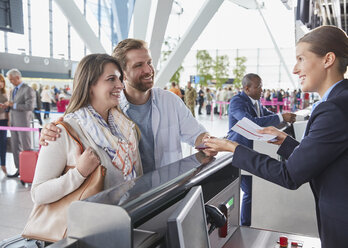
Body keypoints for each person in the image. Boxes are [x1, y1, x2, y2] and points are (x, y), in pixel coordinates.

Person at [203, 25, 348, 248]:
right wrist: (285, 142)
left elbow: (290, 175)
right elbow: (320, 157)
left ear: (328, 59)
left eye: (301, 59)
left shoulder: (334, 109)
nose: (295, 69)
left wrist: (233, 148)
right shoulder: (340, 101)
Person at [40, 39, 214, 174]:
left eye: (149, 62)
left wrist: (210, 143)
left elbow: (197, 135)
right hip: (128, 196)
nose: (149, 70)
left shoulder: (169, 101)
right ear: (122, 73)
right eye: (139, 65)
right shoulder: (110, 108)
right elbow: (79, 121)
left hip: (166, 189)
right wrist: (50, 131)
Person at [31, 53, 142, 206]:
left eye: (120, 79)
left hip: (124, 218)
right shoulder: (62, 131)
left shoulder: (126, 128)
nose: (120, 85)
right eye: (111, 79)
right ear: (89, 86)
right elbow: (38, 194)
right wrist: (79, 173)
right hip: (86, 226)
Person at [227, 73, 296, 227]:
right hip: (239, 150)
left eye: (261, 86)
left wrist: (283, 117)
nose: (261, 90)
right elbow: (249, 122)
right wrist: (280, 117)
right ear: (247, 88)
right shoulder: (237, 102)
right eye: (258, 87)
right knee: (250, 191)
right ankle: (245, 225)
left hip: (253, 151)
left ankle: (250, 222)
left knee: (253, 190)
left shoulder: (257, 103)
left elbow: (267, 115)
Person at [3, 69, 36, 178]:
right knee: (14, 146)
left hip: (23, 123)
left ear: (18, 77)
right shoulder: (13, 90)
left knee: (26, 146)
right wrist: (8, 106)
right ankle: (19, 169)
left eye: (11, 79)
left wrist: (14, 105)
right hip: (13, 122)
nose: (10, 81)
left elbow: (30, 106)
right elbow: (12, 105)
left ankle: (29, 171)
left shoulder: (28, 89)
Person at [0, 74, 9, 175]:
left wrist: (6, 106)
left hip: (3, 120)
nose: (1, 83)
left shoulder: (6, 93)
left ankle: (3, 164)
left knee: (3, 142)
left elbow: (9, 108)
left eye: (2, 81)